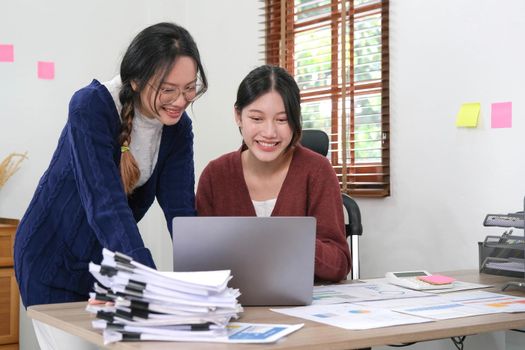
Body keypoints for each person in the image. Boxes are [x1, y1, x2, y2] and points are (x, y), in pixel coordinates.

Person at [14, 22, 207, 309]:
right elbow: (105, 205)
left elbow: (180, 212)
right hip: (52, 261)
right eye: (168, 90)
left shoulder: (177, 129)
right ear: (136, 81)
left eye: (190, 89)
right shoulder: (91, 108)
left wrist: (207, 281)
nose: (180, 101)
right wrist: (146, 279)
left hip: (108, 267)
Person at [196, 65, 351, 282]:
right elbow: (200, 263)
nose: (269, 133)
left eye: (282, 119)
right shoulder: (215, 175)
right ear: (238, 116)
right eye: (257, 119)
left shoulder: (317, 171)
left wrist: (290, 238)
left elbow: (339, 265)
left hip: (304, 308)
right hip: (233, 306)